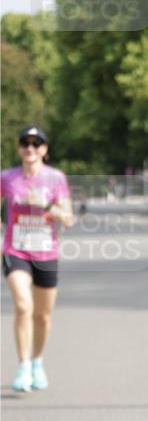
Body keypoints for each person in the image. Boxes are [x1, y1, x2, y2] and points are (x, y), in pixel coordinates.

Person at [1, 126, 74, 392]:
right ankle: (22, 366)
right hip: (15, 249)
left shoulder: (55, 178)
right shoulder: (7, 178)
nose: (30, 148)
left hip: (46, 252)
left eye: (36, 143)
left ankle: (37, 362)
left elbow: (68, 217)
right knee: (23, 305)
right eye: (25, 143)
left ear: (44, 150)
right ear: (19, 148)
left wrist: (45, 205)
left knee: (43, 315)